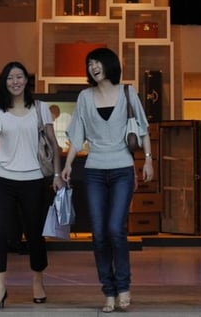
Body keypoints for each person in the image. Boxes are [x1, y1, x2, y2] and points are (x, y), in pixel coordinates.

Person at [62, 48, 153, 314]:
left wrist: (147, 160)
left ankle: (123, 286)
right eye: (89, 63)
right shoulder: (84, 97)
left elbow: (143, 128)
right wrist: (67, 165)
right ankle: (109, 290)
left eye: (98, 62)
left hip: (123, 168)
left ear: (110, 64)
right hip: (94, 170)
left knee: (115, 229)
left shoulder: (128, 92)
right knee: (99, 233)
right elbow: (77, 135)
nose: (93, 67)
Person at [0, 61, 63, 311]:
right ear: (5, 83)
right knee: (0, 234)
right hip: (4, 179)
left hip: (35, 180)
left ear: (26, 81)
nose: (15, 81)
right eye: (10, 78)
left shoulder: (41, 109)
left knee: (35, 234)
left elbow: (53, 143)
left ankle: (38, 281)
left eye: (20, 77)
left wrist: (58, 174)